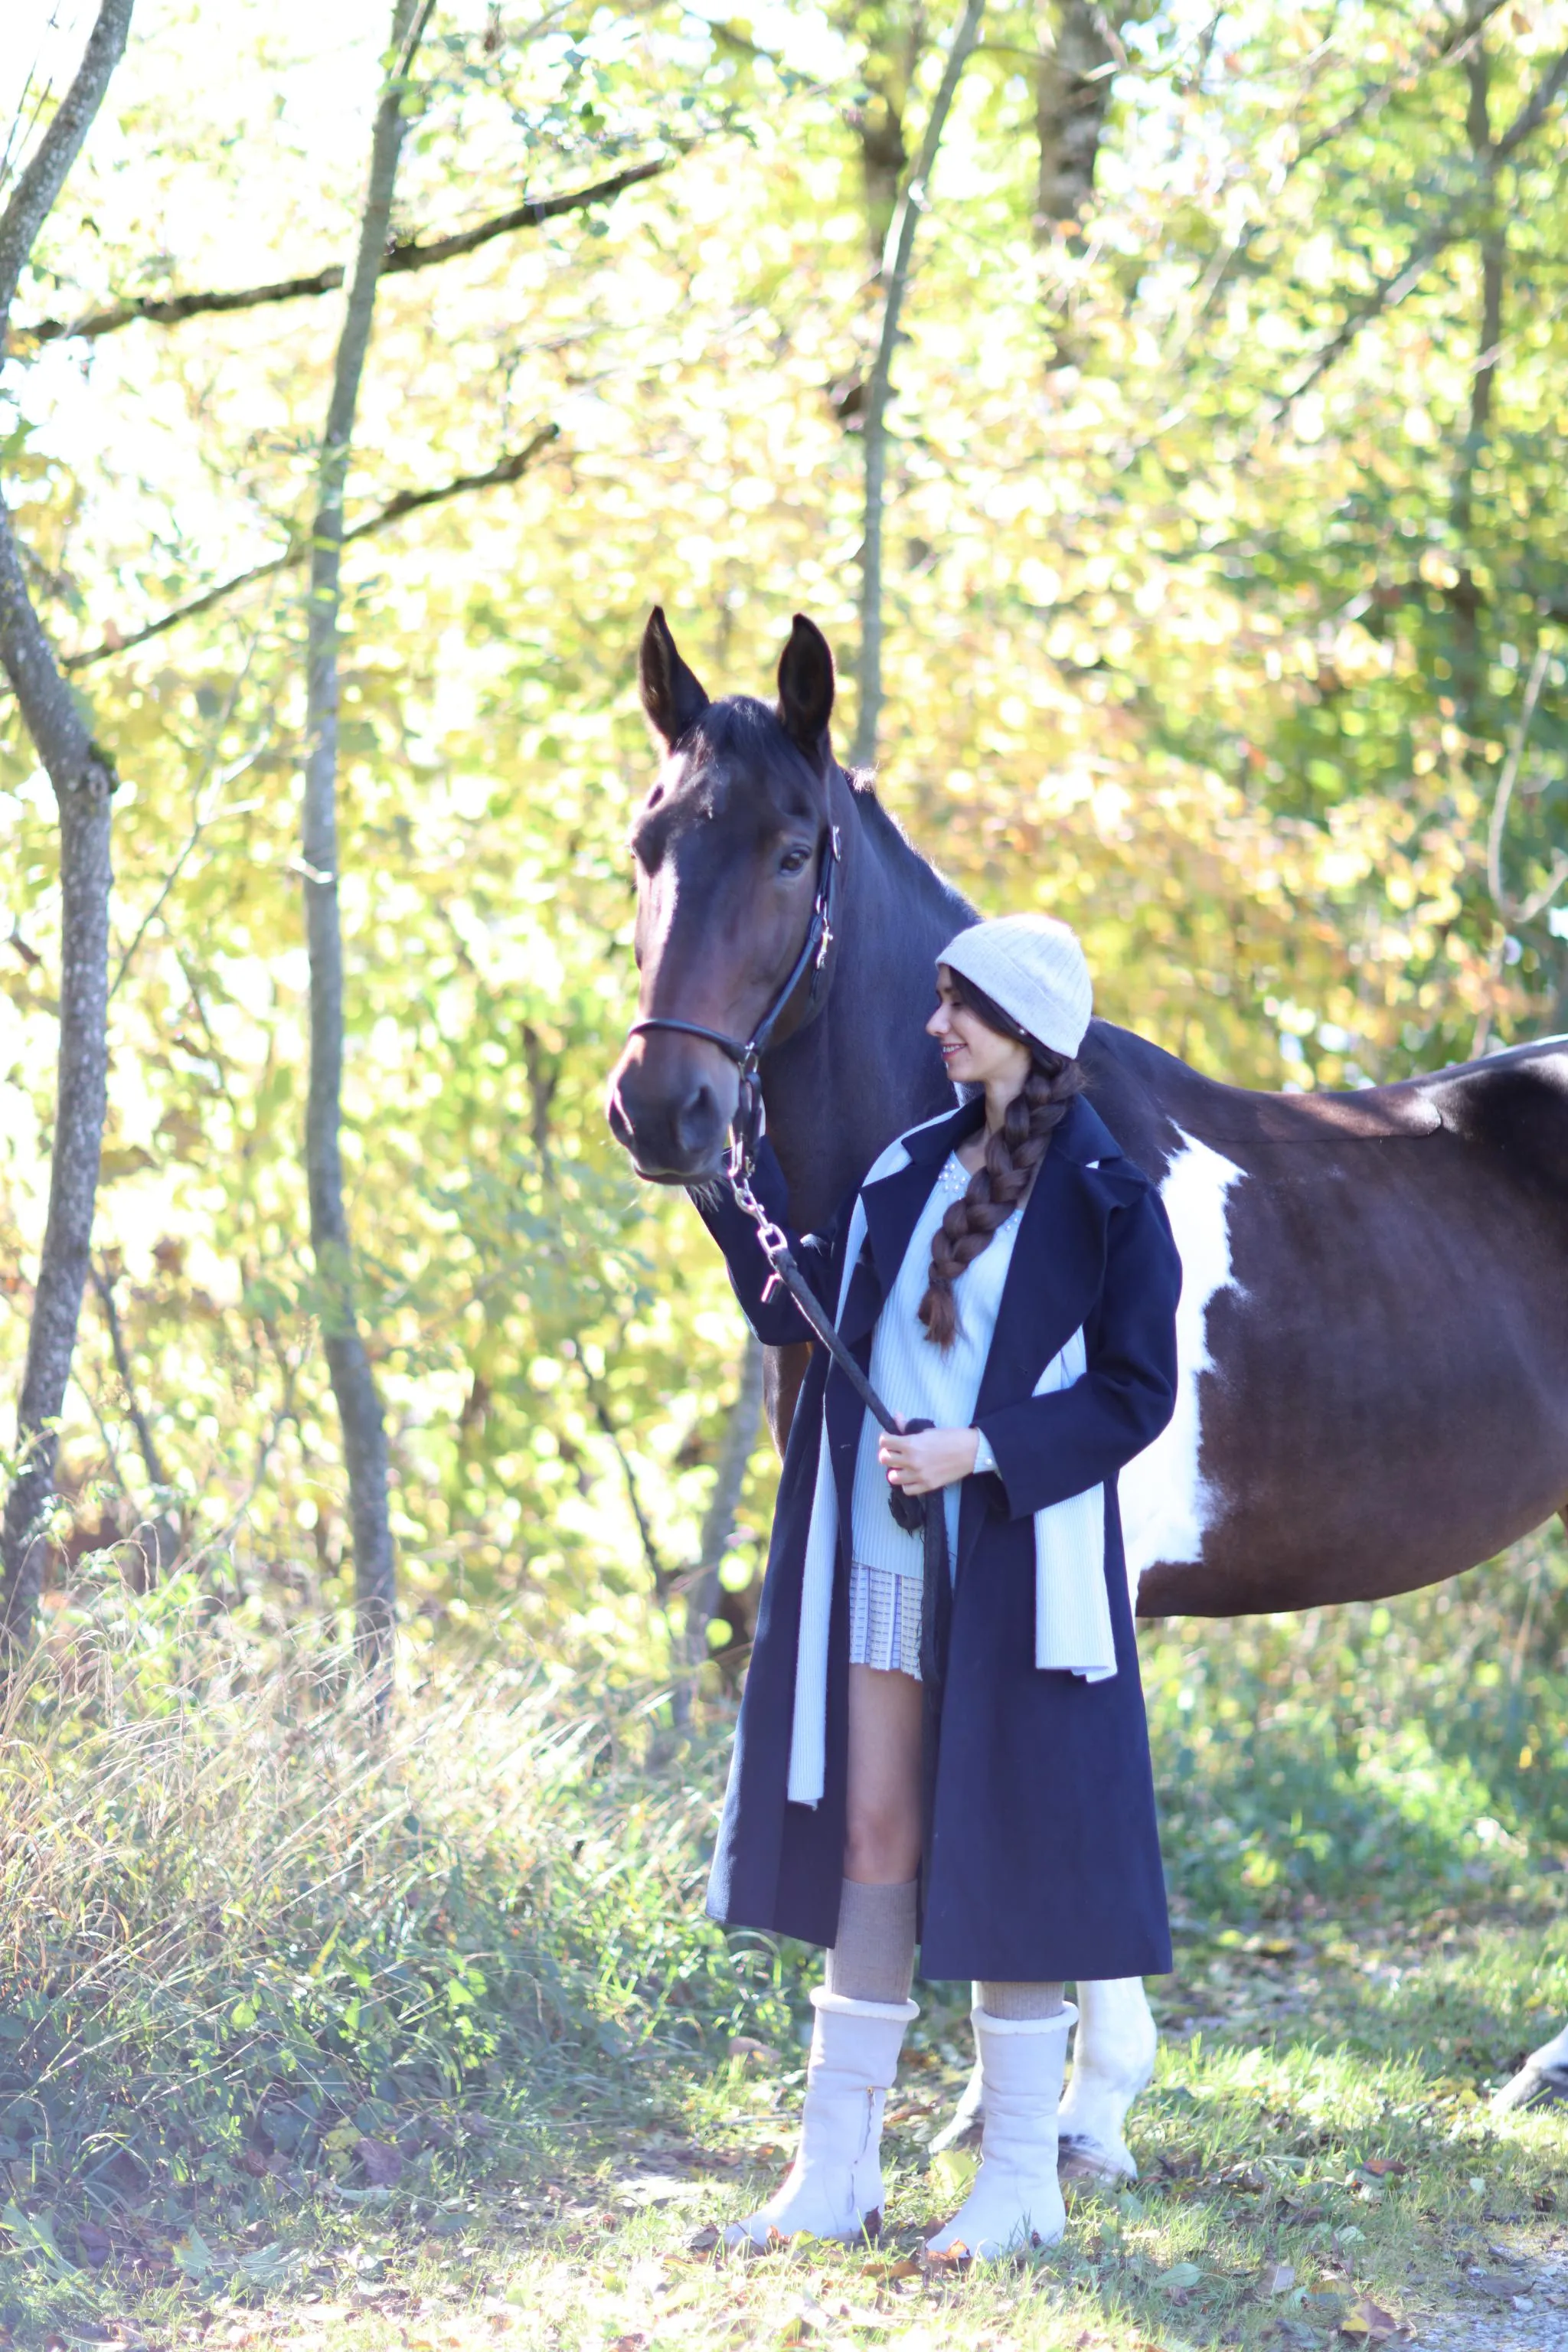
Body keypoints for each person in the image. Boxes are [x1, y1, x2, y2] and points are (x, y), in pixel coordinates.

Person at [693, 913, 1181, 2259]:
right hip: (886, 1553)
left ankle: (1021, 2183)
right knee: (874, 1840)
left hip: (1021, 1568)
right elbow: (799, 1315)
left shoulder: (1106, 1195)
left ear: (1026, 1025)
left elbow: (1139, 1394)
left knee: (1011, 1844)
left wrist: (987, 1450)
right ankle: (834, 2174)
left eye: (959, 1005)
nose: (934, 1026)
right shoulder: (908, 1170)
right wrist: (724, 1193)